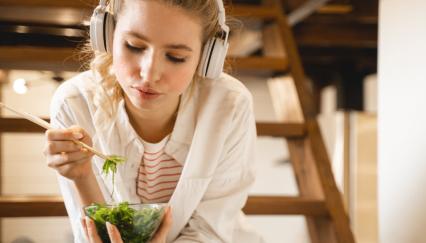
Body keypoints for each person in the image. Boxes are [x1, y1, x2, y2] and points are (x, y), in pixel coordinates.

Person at [44, 0, 263, 242]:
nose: (149, 74)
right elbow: (93, 236)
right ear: (107, 35)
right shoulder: (74, 103)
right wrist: (81, 176)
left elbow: (211, 230)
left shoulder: (229, 105)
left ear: (206, 57)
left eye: (176, 57)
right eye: (134, 46)